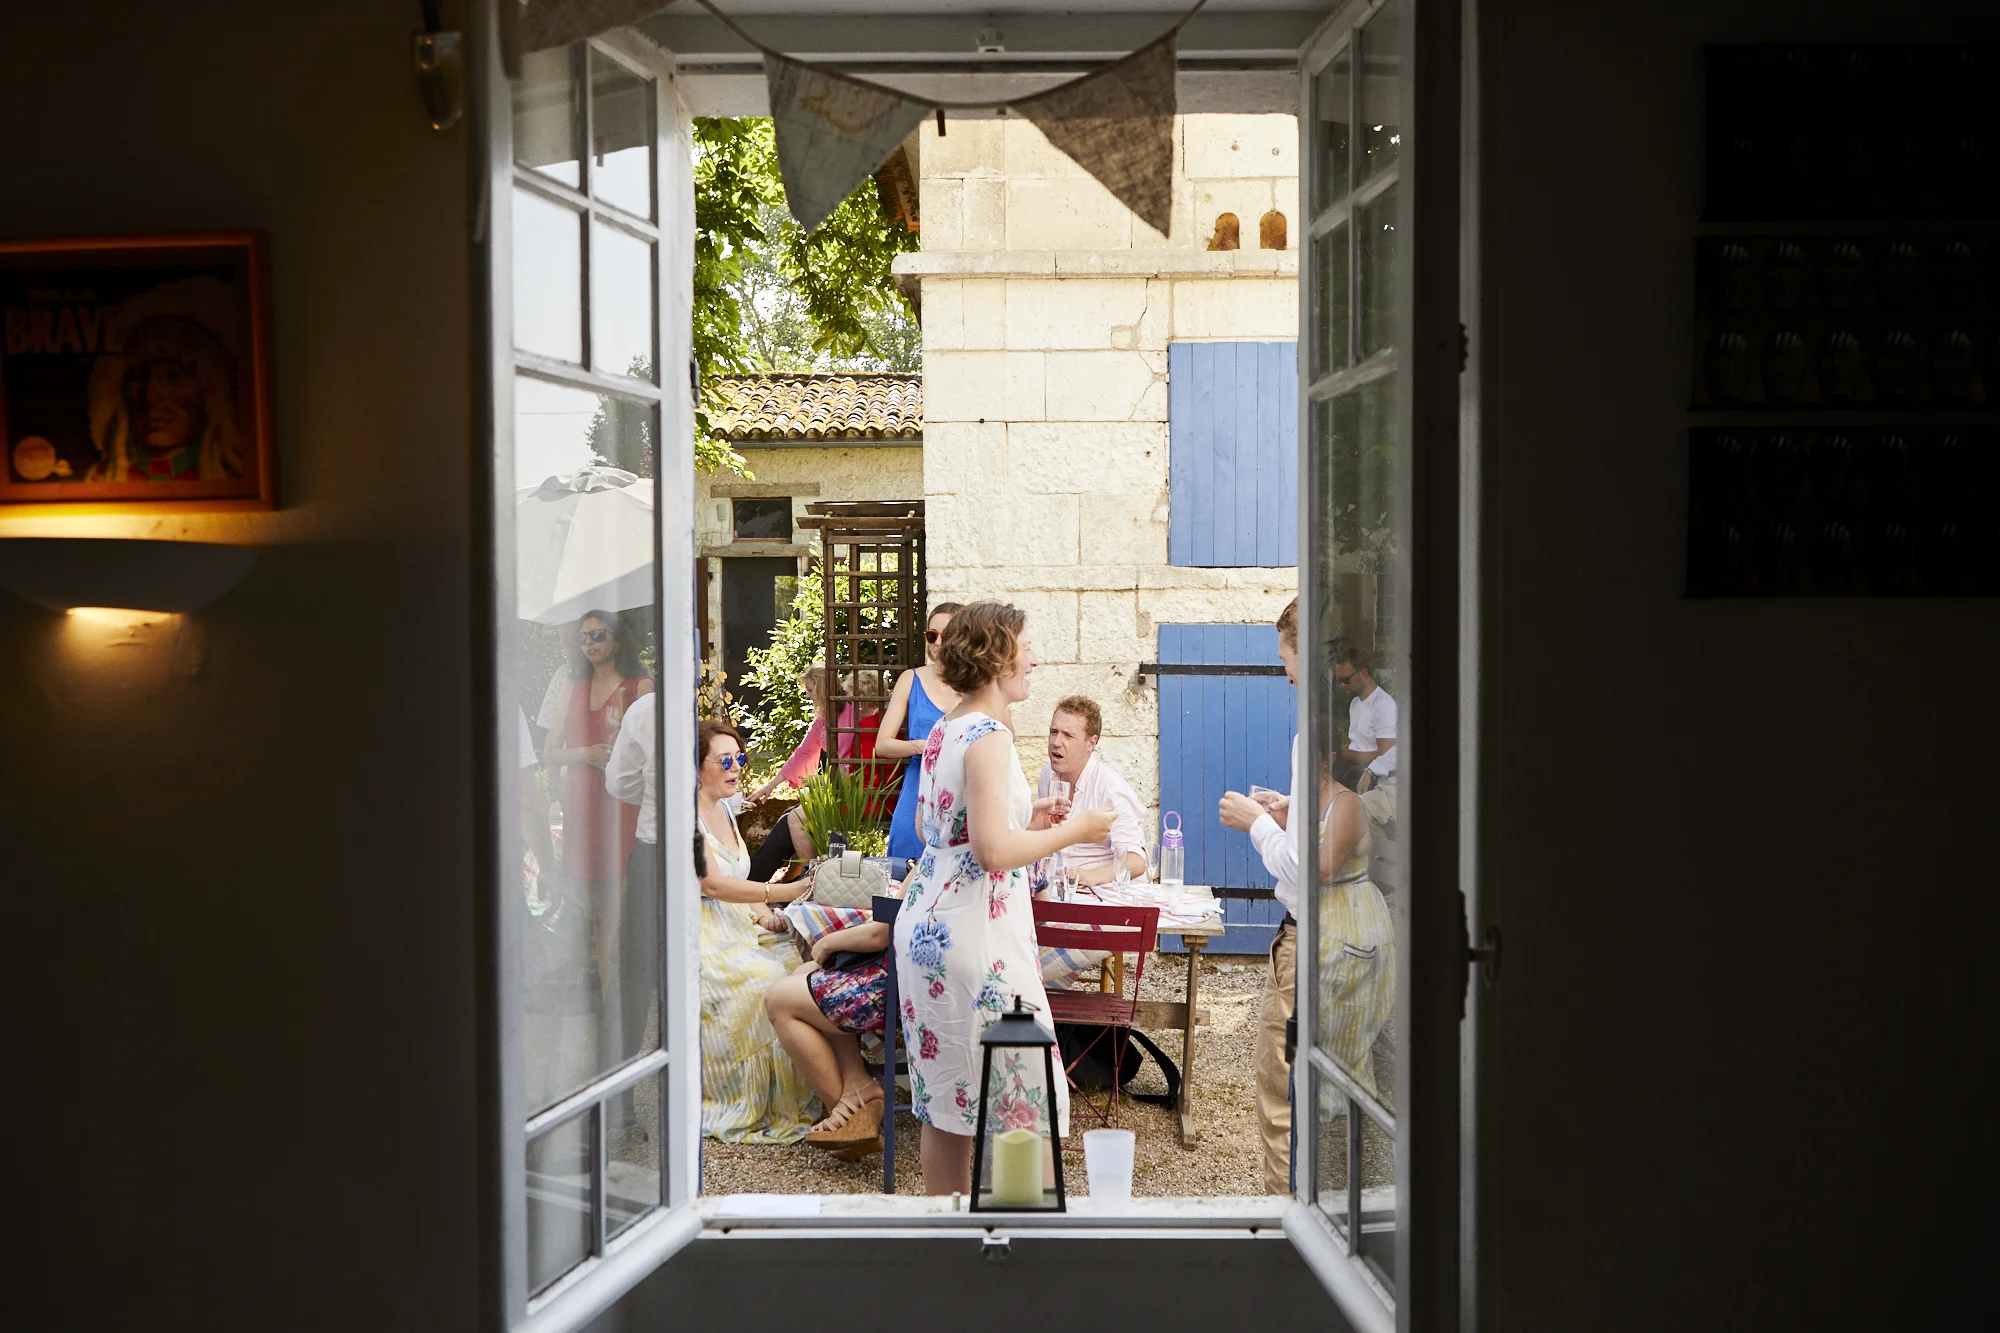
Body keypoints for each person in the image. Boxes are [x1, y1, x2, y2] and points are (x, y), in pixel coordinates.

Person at [893, 601, 1115, 1196]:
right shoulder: (990, 736)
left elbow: (943, 826)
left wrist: (1028, 813)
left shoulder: (946, 727)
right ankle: (1035, 1241)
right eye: (1027, 646)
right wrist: (1077, 829)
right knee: (1028, 1083)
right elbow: (991, 851)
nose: (1036, 658)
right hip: (975, 933)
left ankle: (946, 1237)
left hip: (928, 921)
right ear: (995, 657)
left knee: (947, 1094)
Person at [1216, 597, 1304, 1195]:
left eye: (1286, 656)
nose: (1285, 671)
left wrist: (1257, 822)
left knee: (1280, 1096)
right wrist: (1292, 810)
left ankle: (1285, 1229)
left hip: (1309, 937)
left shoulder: (1319, 734)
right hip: (1340, 934)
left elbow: (1301, 863)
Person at [695, 719, 817, 1142]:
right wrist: (779, 889)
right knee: (765, 980)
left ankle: (823, 1092)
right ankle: (752, 1098)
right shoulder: (686, 816)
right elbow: (710, 883)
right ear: (695, 768)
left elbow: (739, 881)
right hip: (702, 934)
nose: (737, 768)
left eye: (740, 758)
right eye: (725, 760)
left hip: (739, 923)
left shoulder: (727, 808)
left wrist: (766, 909)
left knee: (800, 962)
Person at [542, 610, 653, 1015]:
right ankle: (606, 1002)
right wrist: (584, 754)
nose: (590, 643)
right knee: (589, 907)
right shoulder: (574, 685)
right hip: (581, 805)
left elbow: (651, 753)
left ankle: (622, 1004)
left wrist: (624, 738)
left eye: (598, 635)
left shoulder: (639, 684)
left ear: (617, 640)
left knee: (618, 907)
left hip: (621, 804)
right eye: (584, 637)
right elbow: (549, 752)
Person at [762, 887, 903, 1155]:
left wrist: (827, 942)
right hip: (909, 974)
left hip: (900, 990)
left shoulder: (935, 857)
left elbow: (878, 933)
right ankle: (857, 1085)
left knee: (777, 999)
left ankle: (847, 1113)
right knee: (807, 973)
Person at [875, 602, 965, 862]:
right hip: (918, 789)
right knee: (904, 875)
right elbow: (883, 744)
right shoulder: (911, 679)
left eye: (945, 635)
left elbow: (1006, 737)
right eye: (931, 635)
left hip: (963, 792)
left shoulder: (979, 683)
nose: (937, 642)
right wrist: (923, 746)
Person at [1035, 694, 1147, 885]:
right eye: (1054, 732)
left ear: (1091, 743)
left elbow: (1137, 861)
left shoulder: (1112, 788)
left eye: (1068, 735)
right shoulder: (1048, 774)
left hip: (1106, 896)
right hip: (1062, 891)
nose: (1056, 742)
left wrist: (1090, 877)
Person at [604, 689, 660, 1066]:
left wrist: (653, 795)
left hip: (655, 845)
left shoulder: (645, 709)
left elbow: (619, 782)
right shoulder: (706, 711)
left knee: (636, 964)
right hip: (702, 842)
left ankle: (617, 1079)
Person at [1329, 636, 1397, 794]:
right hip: (1352, 770)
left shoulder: (1383, 706)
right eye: (1339, 680)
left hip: (1371, 779)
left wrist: (1347, 754)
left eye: (1346, 680)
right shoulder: (1355, 703)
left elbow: (1385, 756)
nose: (1342, 685)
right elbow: (1358, 743)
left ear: (1364, 674)